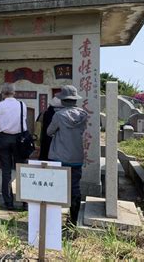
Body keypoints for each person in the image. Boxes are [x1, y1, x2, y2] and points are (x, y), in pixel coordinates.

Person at [47, 85, 88, 226]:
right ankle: (73, 220)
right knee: (75, 187)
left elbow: (49, 131)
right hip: (77, 156)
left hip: (60, 156)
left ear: (63, 101)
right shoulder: (83, 115)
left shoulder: (58, 115)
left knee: (57, 187)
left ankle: (54, 220)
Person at [0, 83, 28, 210]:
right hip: (20, 139)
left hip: (4, 138)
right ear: (14, 92)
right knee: (21, 169)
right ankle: (24, 201)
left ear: (2, 93)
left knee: (6, 170)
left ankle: (8, 201)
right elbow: (24, 119)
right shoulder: (22, 105)